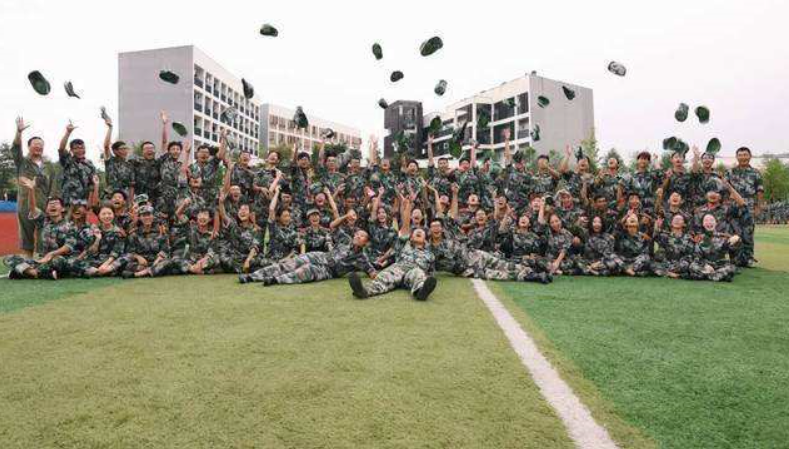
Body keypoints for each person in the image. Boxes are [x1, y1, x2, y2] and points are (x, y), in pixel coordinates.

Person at [348, 196, 437, 301]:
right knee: (384, 276)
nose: (418, 231)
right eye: (415, 232)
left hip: (413, 271)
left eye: (421, 232)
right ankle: (363, 291)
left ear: (425, 239)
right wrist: (408, 206)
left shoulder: (430, 254)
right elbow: (405, 227)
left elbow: (430, 272)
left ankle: (421, 292)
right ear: (410, 238)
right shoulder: (404, 245)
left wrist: (427, 277)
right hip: (398, 268)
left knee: (418, 274)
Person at [240, 229, 377, 285]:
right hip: (320, 256)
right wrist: (346, 216)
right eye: (357, 234)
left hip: (329, 271)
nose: (357, 236)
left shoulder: (362, 258)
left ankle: (275, 280)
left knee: (306, 271)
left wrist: (376, 275)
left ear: (366, 242)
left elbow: (372, 273)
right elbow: (333, 226)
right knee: (291, 264)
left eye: (362, 236)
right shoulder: (345, 240)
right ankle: (252, 277)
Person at [4, 178, 73, 279]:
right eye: (50, 204)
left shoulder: (69, 225)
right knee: (9, 258)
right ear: (46, 209)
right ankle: (37, 273)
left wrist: (51, 254)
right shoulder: (43, 220)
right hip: (41, 259)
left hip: (58, 258)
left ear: (62, 209)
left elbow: (68, 246)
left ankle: (23, 272)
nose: (52, 205)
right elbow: (32, 208)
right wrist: (31, 190)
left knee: (58, 261)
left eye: (56, 203)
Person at [11, 116, 52, 257]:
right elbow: (16, 148)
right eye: (35, 144)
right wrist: (19, 132)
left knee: (44, 235)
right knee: (26, 236)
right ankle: (27, 262)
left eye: (41, 144)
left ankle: (40, 261)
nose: (38, 146)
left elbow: (51, 185)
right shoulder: (22, 162)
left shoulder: (48, 166)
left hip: (44, 205)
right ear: (29, 146)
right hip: (26, 205)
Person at [725, 147, 764, 267]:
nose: (743, 157)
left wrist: (759, 206)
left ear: (750, 156)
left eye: (745, 155)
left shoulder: (756, 173)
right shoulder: (730, 172)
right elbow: (725, 189)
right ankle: (734, 258)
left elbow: (760, 190)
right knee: (733, 232)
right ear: (737, 157)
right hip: (733, 207)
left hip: (749, 207)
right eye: (740, 155)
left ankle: (748, 259)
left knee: (748, 233)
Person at [689, 214, 740, 282]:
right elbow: (697, 257)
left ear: (716, 222)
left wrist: (737, 241)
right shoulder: (699, 238)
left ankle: (704, 276)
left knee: (730, 269)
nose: (709, 222)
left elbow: (733, 250)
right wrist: (705, 265)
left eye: (711, 220)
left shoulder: (724, 237)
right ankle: (716, 276)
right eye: (706, 220)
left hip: (720, 266)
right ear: (703, 224)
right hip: (706, 266)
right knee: (693, 266)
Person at [58, 120, 96, 207]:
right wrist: (68, 133)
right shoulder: (68, 161)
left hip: (83, 202)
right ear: (71, 150)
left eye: (82, 148)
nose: (80, 150)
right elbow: (61, 149)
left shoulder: (90, 164)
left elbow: (91, 185)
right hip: (68, 201)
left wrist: (89, 203)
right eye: (76, 148)